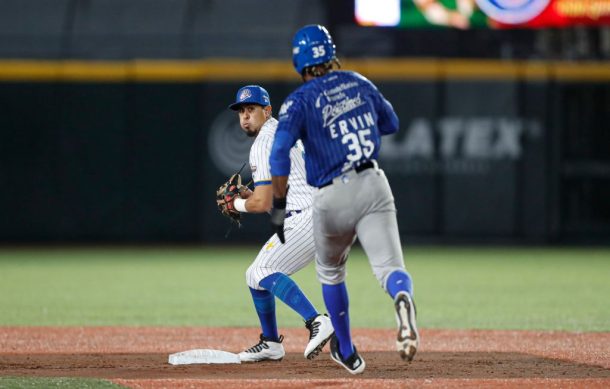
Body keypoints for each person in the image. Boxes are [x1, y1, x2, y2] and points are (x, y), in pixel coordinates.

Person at [269, 25, 419, 374]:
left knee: (331, 272)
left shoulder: (298, 101)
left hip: (331, 194)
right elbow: (391, 123)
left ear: (299, 63)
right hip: (372, 182)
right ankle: (402, 297)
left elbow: (279, 155)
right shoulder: (358, 81)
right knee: (390, 269)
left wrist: (278, 206)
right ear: (331, 55)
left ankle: (348, 351)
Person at [226, 85, 334, 362]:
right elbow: (276, 197)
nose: (245, 117)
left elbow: (261, 205)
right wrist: (253, 197)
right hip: (318, 211)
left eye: (251, 109)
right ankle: (272, 343)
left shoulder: (262, 143)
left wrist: (236, 204)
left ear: (267, 110)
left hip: (309, 215)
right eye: (241, 111)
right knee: (255, 275)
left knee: (263, 269)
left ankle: (316, 321)